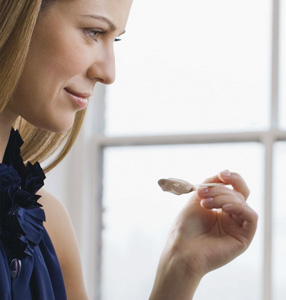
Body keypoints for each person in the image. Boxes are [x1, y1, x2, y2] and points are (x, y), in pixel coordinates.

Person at [0, 0, 259, 299]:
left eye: (116, 39)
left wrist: (181, 266)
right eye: (93, 32)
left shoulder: (47, 225)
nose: (109, 73)